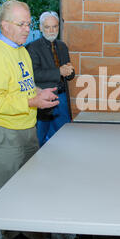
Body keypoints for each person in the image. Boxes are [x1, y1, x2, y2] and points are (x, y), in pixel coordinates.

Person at [0, 0, 59, 239]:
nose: (27, 28)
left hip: (26, 130)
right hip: (3, 135)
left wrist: (38, 94)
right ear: (5, 25)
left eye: (28, 23)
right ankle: (12, 238)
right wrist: (31, 102)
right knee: (7, 194)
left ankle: (30, 231)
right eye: (21, 24)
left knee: (29, 188)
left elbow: (25, 86)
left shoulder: (21, 50)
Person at [26, 11, 75, 146]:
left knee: (64, 136)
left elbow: (69, 74)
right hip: (42, 97)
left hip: (62, 97)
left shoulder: (62, 46)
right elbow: (33, 74)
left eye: (55, 26)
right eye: (47, 27)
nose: (51, 30)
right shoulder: (32, 48)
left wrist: (70, 72)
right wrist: (59, 71)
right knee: (39, 138)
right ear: (41, 28)